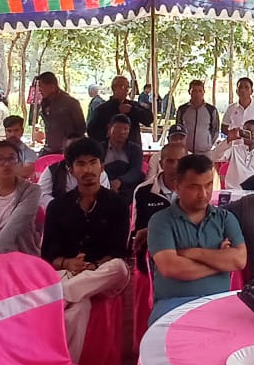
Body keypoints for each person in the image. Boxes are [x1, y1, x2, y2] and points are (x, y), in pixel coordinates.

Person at [42, 137, 131, 356]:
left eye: (93, 162)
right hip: (70, 272)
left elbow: (118, 250)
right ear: (70, 170)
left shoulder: (118, 204)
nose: (88, 170)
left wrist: (94, 266)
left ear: (102, 166)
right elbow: (48, 253)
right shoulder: (57, 207)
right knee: (80, 307)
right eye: (81, 164)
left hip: (105, 273)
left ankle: (57, 296)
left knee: (119, 267)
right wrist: (68, 263)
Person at [147, 154, 246, 323]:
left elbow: (239, 260)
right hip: (173, 305)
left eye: (208, 185)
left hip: (219, 302)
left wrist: (192, 253)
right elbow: (171, 268)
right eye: (194, 187)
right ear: (177, 186)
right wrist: (221, 264)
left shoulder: (225, 218)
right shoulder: (161, 221)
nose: (203, 194)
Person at [132, 143, 188, 274]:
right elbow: (137, 232)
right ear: (161, 164)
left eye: (180, 161)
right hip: (155, 251)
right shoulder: (143, 191)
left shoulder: (195, 189)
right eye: (170, 161)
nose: (175, 166)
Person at [88, 76, 154, 146]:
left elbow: (149, 119)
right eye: (123, 87)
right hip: (109, 149)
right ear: (114, 88)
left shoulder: (133, 106)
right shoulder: (102, 109)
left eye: (128, 88)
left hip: (132, 149)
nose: (126, 90)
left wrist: (133, 110)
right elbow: (92, 131)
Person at [210, 119, 254, 190]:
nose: (252, 134)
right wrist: (228, 140)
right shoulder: (234, 149)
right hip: (233, 190)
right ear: (242, 132)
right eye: (248, 131)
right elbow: (215, 157)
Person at [36, 72, 87, 155]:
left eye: (41, 86)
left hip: (68, 150)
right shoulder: (44, 103)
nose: (39, 90)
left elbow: (81, 128)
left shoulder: (71, 103)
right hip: (50, 149)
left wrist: (71, 143)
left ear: (52, 87)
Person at [100, 114, 146, 204]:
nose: (122, 132)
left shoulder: (135, 149)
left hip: (128, 189)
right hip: (104, 185)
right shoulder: (100, 148)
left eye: (125, 129)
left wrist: (120, 181)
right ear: (109, 128)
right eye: (118, 128)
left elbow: (136, 171)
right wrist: (108, 184)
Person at [175, 80, 219, 154]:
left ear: (204, 92)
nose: (197, 94)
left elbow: (215, 129)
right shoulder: (182, 109)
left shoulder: (211, 110)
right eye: (194, 91)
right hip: (186, 151)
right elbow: (178, 128)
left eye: (200, 91)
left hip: (205, 152)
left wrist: (209, 143)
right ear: (189, 92)